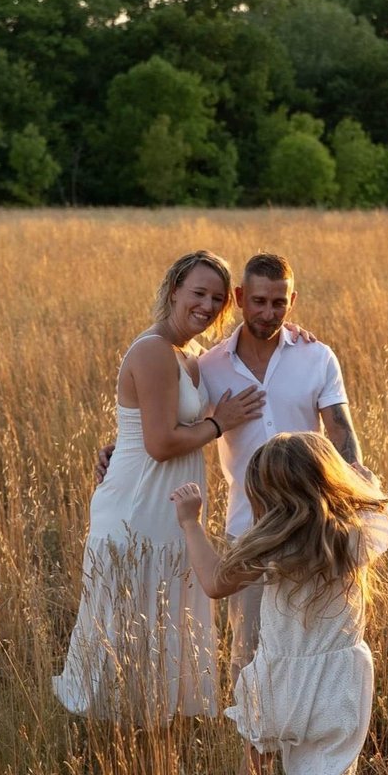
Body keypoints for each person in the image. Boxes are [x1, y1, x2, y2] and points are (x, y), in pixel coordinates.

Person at [171, 432, 388, 775]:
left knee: (256, 750)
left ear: (266, 497)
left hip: (280, 680)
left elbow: (212, 581)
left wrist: (190, 521)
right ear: (329, 479)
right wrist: (356, 479)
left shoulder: (271, 546)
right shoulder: (357, 532)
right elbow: (372, 493)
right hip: (341, 683)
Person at [98, 252, 363, 687]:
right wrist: (118, 449)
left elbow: (342, 436)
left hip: (317, 528)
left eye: (279, 303)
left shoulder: (317, 357)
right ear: (240, 298)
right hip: (250, 529)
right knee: (251, 659)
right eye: (258, 301)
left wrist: (355, 504)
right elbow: (166, 420)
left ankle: (311, 746)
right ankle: (252, 757)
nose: (268, 313)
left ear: (292, 301)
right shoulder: (209, 364)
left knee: (323, 655)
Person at [52, 250, 265, 726]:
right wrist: (218, 423)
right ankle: (111, 750)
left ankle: (152, 738)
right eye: (198, 293)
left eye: (216, 298)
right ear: (173, 290)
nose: (207, 305)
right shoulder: (151, 350)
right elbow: (161, 441)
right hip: (136, 508)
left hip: (169, 509)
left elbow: (149, 425)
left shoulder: (190, 356)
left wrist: (295, 335)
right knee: (127, 625)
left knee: (161, 622)